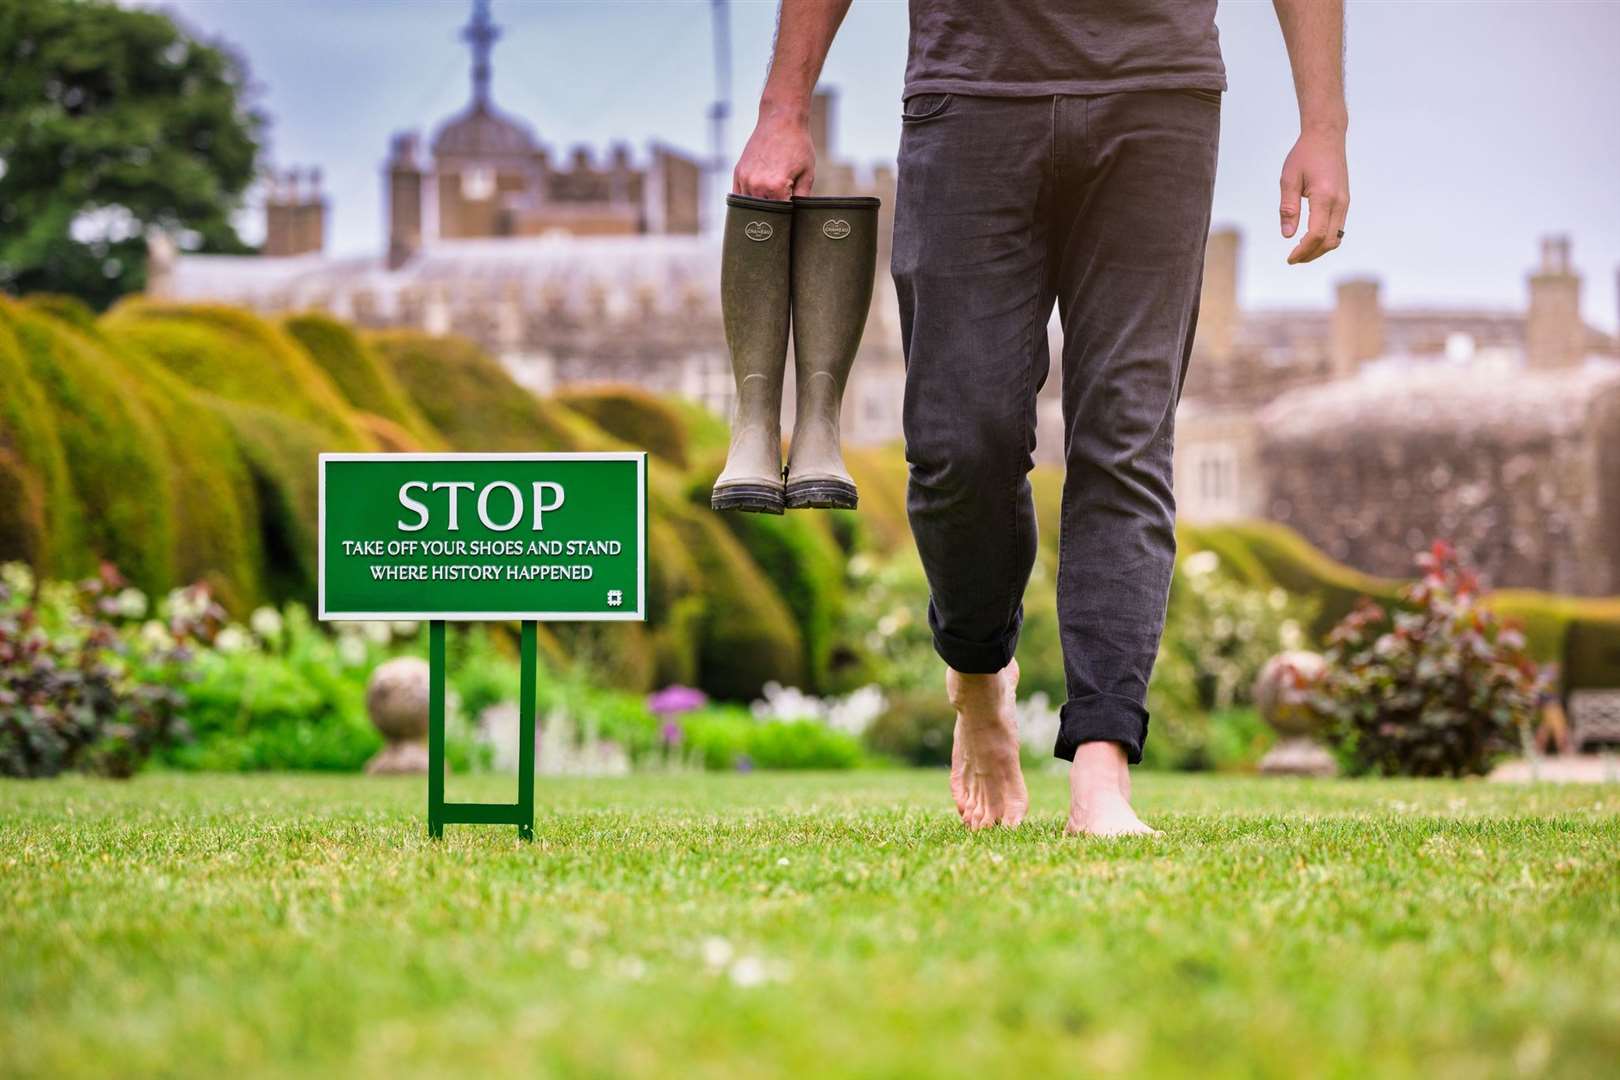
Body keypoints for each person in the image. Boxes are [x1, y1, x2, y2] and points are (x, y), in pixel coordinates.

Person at [734, 1, 1349, 835]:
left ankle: (1103, 770)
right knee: (960, 445)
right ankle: (980, 674)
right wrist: (784, 107)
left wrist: (1324, 121)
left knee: (1125, 435)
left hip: (1158, 89)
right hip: (970, 91)